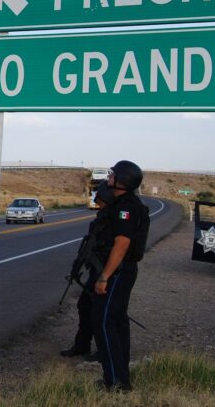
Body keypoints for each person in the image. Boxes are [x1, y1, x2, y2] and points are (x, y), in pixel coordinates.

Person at [90, 160, 150, 392]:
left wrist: (105, 276)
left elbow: (122, 243)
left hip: (118, 271)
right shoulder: (122, 204)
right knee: (115, 321)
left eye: (113, 174)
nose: (110, 177)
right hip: (120, 270)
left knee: (105, 323)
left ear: (122, 181)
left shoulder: (127, 208)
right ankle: (117, 377)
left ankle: (116, 382)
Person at [59, 179, 117, 361]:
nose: (96, 201)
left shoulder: (111, 219)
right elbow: (89, 244)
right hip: (97, 270)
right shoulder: (102, 217)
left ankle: (102, 349)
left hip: (106, 272)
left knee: (100, 312)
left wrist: (104, 274)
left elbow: (114, 247)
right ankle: (83, 345)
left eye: (98, 198)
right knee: (85, 305)